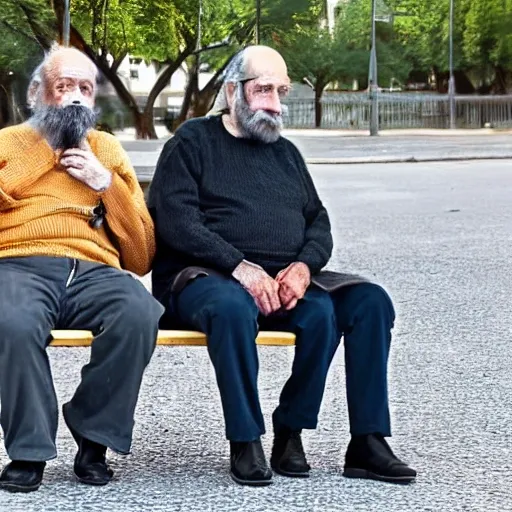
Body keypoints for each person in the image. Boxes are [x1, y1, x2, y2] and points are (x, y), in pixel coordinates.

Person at [149, 45, 416, 487]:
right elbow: (178, 222)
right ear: (233, 92)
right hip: (205, 276)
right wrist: (240, 268)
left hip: (283, 277)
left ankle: (354, 439)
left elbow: (318, 219)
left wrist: (304, 268)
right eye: (264, 89)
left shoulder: (285, 153)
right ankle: (246, 437)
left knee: (367, 302)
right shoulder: (191, 142)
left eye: (282, 90)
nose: (275, 102)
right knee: (232, 309)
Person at [0, 44, 163, 493]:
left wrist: (105, 184)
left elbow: (142, 253)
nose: (75, 98)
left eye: (84, 88)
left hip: (94, 269)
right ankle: (28, 451)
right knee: (10, 321)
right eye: (63, 86)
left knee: (139, 311)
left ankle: (94, 436)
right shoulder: (7, 143)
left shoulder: (106, 148)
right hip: (19, 263)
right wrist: (46, 153)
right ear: (36, 93)